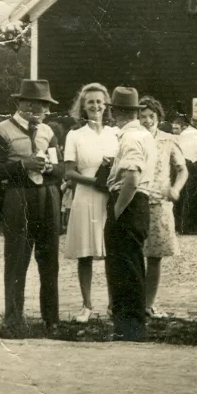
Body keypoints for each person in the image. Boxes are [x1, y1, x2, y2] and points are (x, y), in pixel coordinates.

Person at [0, 79, 64, 337]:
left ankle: (51, 320)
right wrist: (23, 165)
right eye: (39, 105)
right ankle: (13, 319)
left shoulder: (48, 132)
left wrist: (51, 169)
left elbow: (60, 169)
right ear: (24, 104)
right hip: (17, 198)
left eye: (45, 106)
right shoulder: (1, 130)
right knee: (17, 259)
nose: (43, 111)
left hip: (47, 197)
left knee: (49, 260)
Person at [62, 83, 119, 323]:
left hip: (109, 197)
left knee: (111, 252)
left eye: (99, 102)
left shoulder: (115, 133)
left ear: (106, 105)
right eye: (90, 102)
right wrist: (93, 180)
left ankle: (113, 305)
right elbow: (68, 172)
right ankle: (86, 306)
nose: (96, 106)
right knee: (85, 254)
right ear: (83, 107)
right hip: (85, 196)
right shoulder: (75, 135)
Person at [104, 86, 157, 341]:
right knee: (132, 265)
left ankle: (129, 327)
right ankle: (131, 325)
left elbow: (132, 178)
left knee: (124, 268)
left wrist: (116, 210)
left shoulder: (130, 138)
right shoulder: (144, 135)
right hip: (139, 203)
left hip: (129, 203)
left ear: (115, 112)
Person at [139, 96, 188, 316]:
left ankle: (148, 303)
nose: (147, 120)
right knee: (132, 254)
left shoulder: (168, 139)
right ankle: (128, 303)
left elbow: (182, 168)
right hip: (135, 200)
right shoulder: (132, 137)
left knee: (155, 255)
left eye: (152, 116)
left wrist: (175, 189)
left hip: (159, 201)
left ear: (159, 117)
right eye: (143, 116)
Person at [172, 114, 197, 234]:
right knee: (189, 196)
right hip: (190, 165)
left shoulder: (185, 134)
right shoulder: (194, 133)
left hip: (180, 164)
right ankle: (186, 226)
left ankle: (179, 226)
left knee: (181, 196)